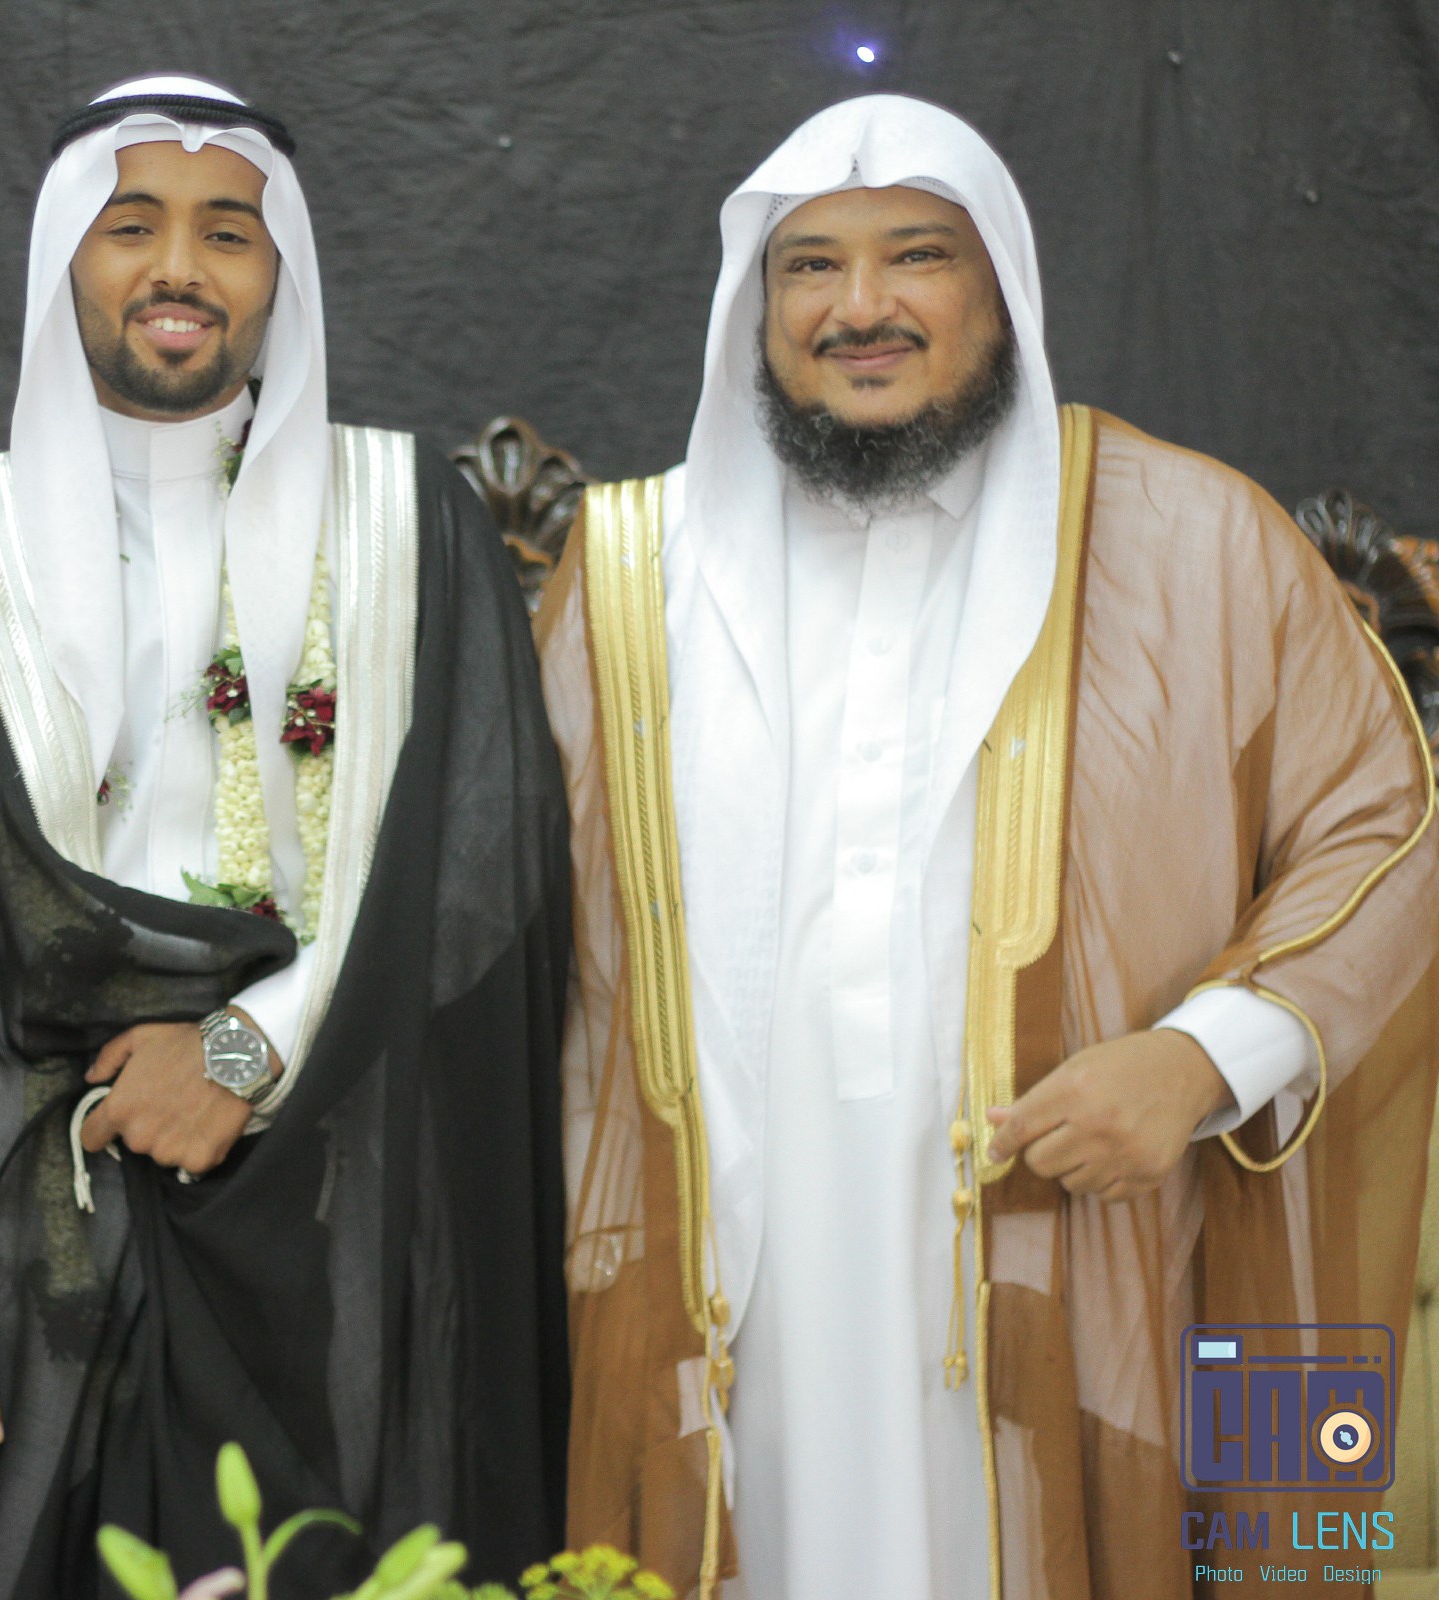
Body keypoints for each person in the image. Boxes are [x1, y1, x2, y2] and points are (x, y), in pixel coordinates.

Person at [541, 95, 1438, 1600]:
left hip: (1088, 1259)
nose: (862, 306)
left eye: (918, 256)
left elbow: (1388, 830)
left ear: (1001, 288)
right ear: (758, 305)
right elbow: (517, 940)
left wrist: (1202, 1061)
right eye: (811, 265)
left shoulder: (1197, 542)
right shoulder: (635, 571)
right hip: (731, 1275)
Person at [0, 75, 570, 1599]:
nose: (178, 269)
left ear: (280, 273)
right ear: (63, 262)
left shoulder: (405, 522)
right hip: (28, 1250)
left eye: (228, 231)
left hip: (339, 1224)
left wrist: (241, 1052)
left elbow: (487, 870)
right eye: (131, 225)